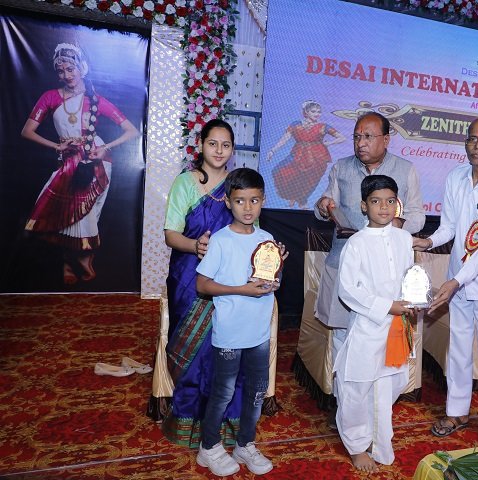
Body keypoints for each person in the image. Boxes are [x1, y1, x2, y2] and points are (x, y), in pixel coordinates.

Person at [313, 111, 425, 427]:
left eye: (368, 136)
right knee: (343, 340)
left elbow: (418, 215)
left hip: (385, 274)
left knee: (381, 342)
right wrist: (323, 206)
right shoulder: (341, 168)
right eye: (356, 137)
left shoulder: (405, 170)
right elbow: (326, 207)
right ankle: (345, 411)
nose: (360, 143)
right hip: (344, 265)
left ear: (386, 139)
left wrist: (391, 226)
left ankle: (376, 410)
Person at [413, 117, 478, 446]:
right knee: (458, 347)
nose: (477, 145)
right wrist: (427, 242)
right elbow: (449, 227)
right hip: (458, 280)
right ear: (465, 142)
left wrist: (456, 281)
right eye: (472, 139)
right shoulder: (455, 177)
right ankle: (457, 411)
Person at [21, 43, 139, 284]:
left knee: (86, 213)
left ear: (82, 68)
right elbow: (27, 131)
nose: (66, 75)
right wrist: (56, 146)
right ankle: (69, 260)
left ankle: (84, 257)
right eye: (61, 71)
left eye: (70, 69)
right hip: (67, 161)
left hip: (95, 161)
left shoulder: (96, 100)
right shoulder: (50, 97)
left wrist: (104, 148)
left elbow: (131, 131)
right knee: (64, 211)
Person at [194, 167, 284, 477]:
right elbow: (202, 284)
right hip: (231, 334)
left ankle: (245, 443)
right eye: (240, 201)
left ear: (263, 201)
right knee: (223, 392)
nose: (248, 208)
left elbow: (270, 281)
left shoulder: (267, 239)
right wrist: (241, 290)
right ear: (228, 202)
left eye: (254, 200)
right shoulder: (221, 240)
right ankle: (208, 446)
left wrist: (274, 278)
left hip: (259, 332)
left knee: (257, 392)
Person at [159, 119, 240, 445]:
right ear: (201, 145)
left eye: (226, 145)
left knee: (224, 350)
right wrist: (195, 246)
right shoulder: (186, 183)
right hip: (189, 277)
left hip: (228, 279)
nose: (219, 151)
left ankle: (220, 422)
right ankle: (187, 419)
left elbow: (250, 228)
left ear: (232, 150)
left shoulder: (237, 185)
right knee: (193, 352)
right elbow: (170, 234)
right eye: (213, 144)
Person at [334, 175, 415, 473]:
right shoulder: (356, 243)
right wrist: (387, 306)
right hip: (368, 326)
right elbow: (347, 290)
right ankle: (357, 445)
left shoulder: (404, 239)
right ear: (363, 206)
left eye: (390, 201)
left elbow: (409, 276)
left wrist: (413, 301)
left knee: (390, 384)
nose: (384, 207)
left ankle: (380, 442)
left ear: (397, 204)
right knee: (358, 385)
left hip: (397, 326)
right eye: (376, 201)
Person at [268, 101, 345, 209]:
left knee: (309, 181)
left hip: (317, 158)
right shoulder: (296, 125)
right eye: (313, 111)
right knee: (279, 171)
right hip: (298, 154)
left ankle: (302, 201)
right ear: (306, 112)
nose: (317, 114)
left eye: (319, 112)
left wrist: (329, 143)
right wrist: (273, 150)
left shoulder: (323, 126)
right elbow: (285, 139)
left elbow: (342, 137)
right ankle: (292, 196)